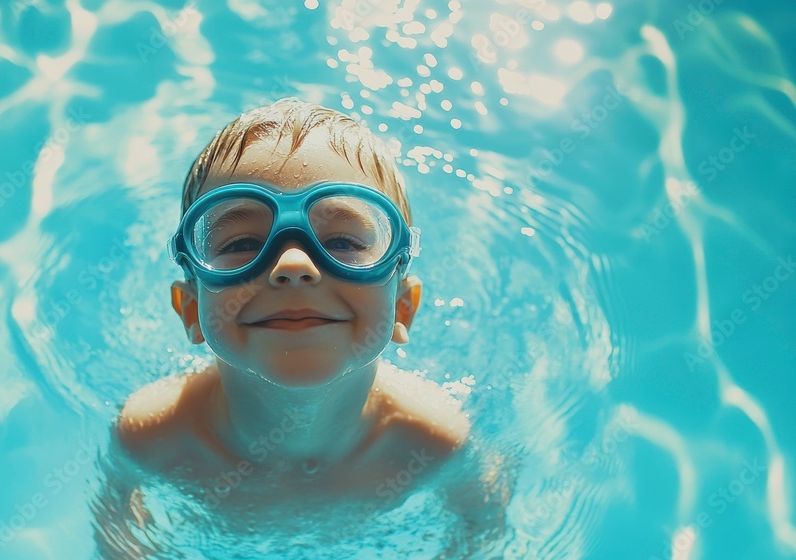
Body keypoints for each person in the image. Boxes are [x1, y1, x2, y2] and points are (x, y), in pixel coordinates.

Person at [92, 98, 497, 557]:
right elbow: (117, 532)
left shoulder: (431, 440)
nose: (292, 264)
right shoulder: (153, 433)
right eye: (243, 243)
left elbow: (481, 527)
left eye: (342, 241)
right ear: (190, 310)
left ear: (403, 308)